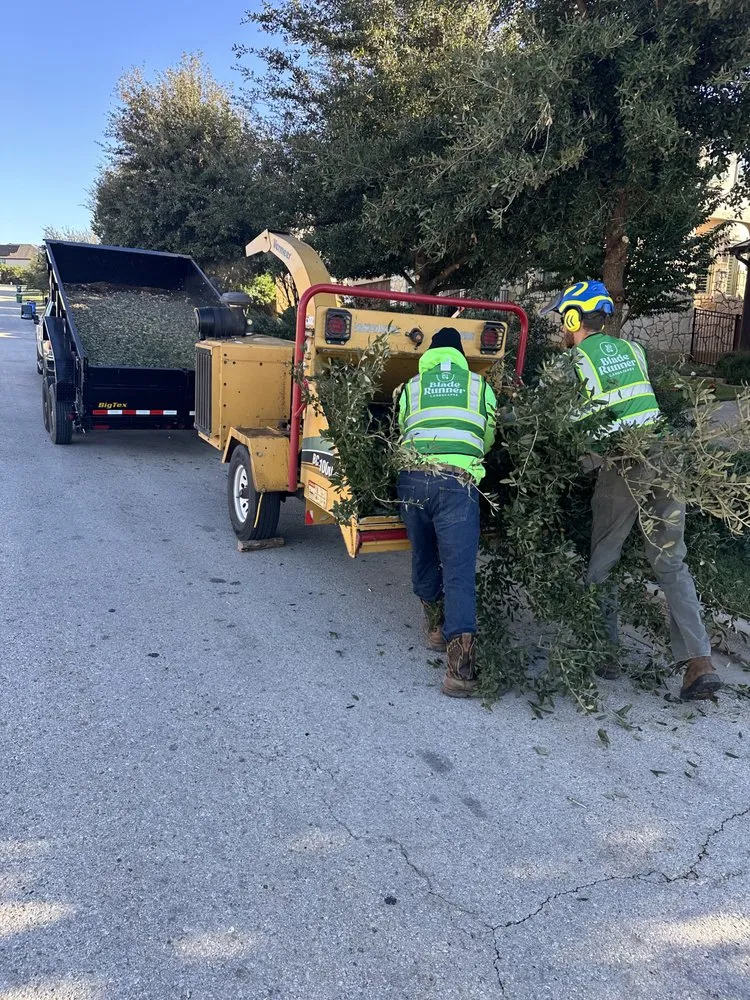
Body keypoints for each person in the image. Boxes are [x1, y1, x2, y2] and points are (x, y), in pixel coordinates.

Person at [541, 281, 722, 700]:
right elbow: (628, 405)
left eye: (561, 320)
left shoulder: (575, 362)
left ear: (573, 319)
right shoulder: (635, 350)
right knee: (671, 562)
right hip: (665, 456)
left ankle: (604, 652)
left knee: (603, 559)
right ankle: (700, 662)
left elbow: (569, 421)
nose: (561, 331)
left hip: (624, 465)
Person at [397, 327, 497, 697]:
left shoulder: (411, 386)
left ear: (431, 355)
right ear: (460, 355)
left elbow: (401, 430)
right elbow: (487, 436)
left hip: (413, 482)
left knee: (423, 553)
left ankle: (435, 625)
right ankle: (460, 671)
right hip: (458, 484)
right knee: (458, 571)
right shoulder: (479, 386)